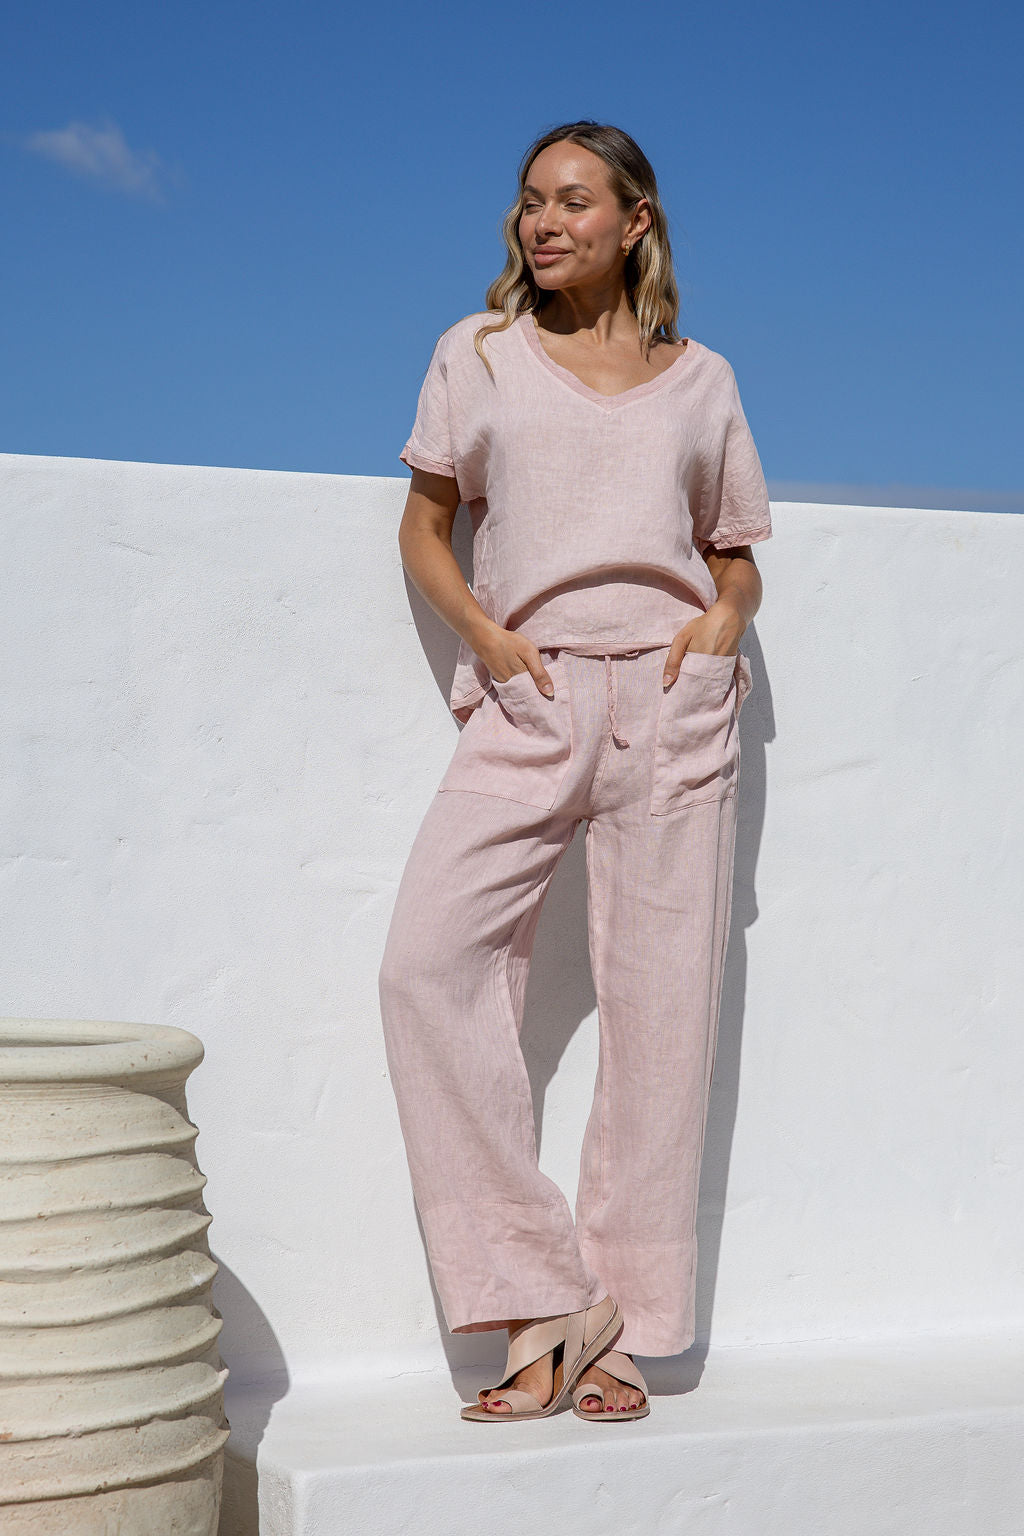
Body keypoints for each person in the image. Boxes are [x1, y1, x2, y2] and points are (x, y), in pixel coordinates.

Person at [377, 119, 772, 1423]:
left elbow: (735, 554)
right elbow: (426, 526)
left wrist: (721, 627)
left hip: (671, 698)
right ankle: (542, 1290)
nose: (543, 223)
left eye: (573, 202)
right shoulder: (479, 352)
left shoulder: (702, 380)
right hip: (532, 695)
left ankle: (623, 1331)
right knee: (428, 966)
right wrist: (487, 637)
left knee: (663, 1019)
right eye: (530, 201)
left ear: (634, 221)